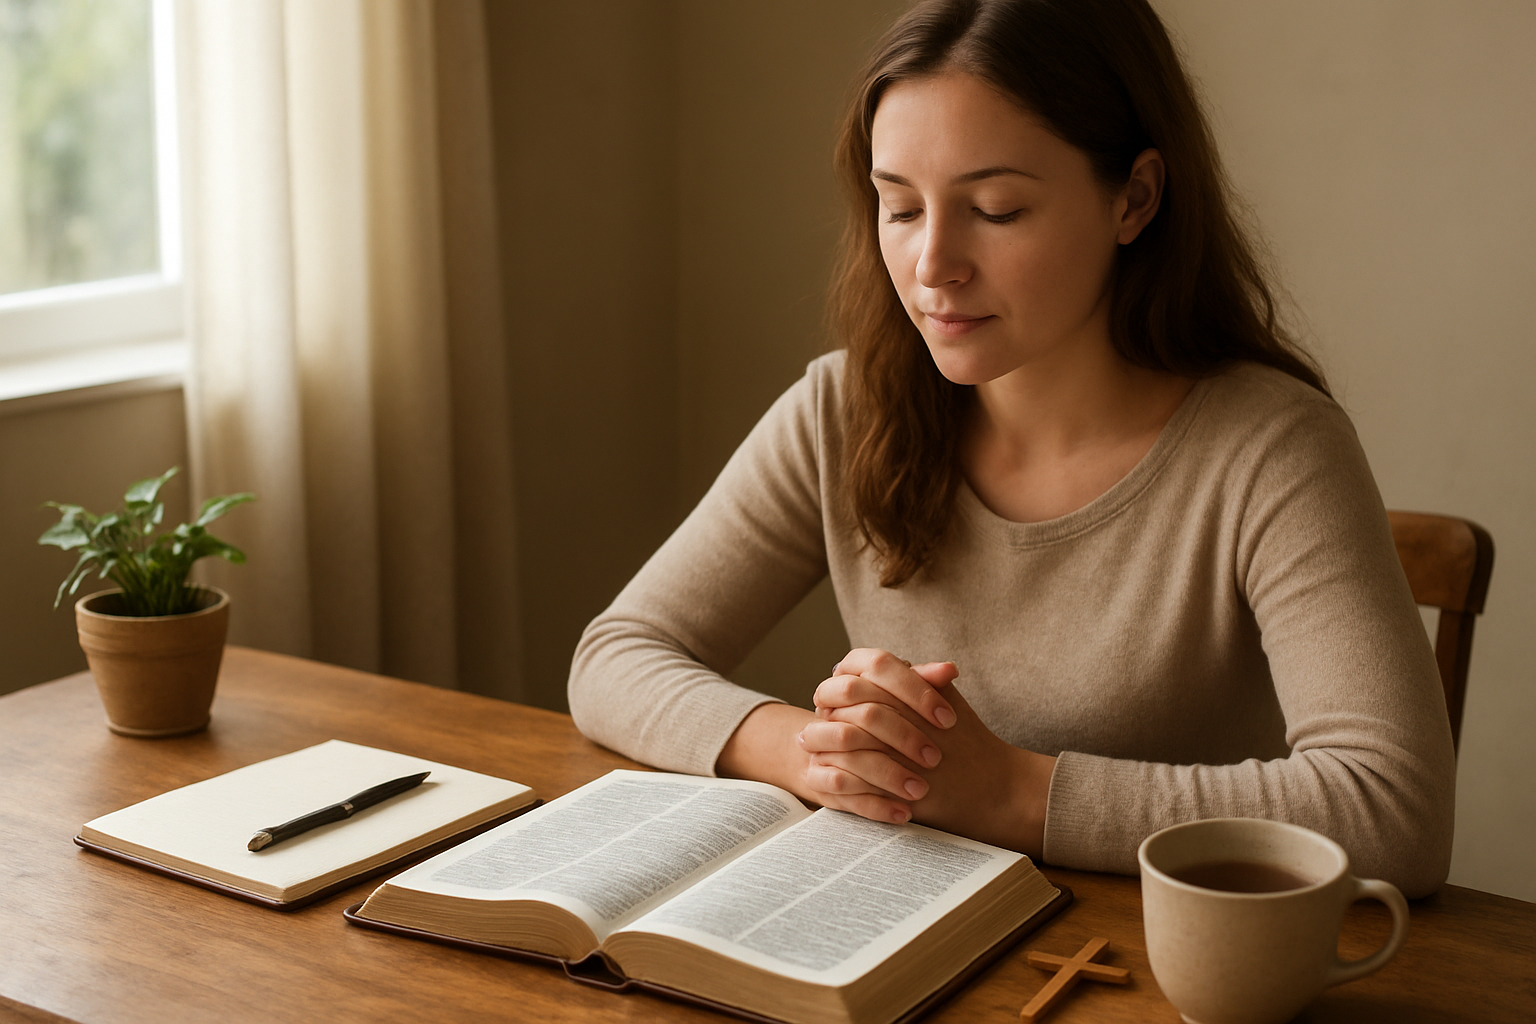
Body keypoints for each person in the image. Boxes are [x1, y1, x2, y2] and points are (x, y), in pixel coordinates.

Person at [568, 0, 1455, 898]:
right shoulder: (842, 408)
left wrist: (1010, 792)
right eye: (901, 207)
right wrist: (822, 754)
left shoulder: (1273, 450)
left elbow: (1394, 810)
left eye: (995, 209)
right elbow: (616, 655)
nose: (932, 265)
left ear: (1134, 199)